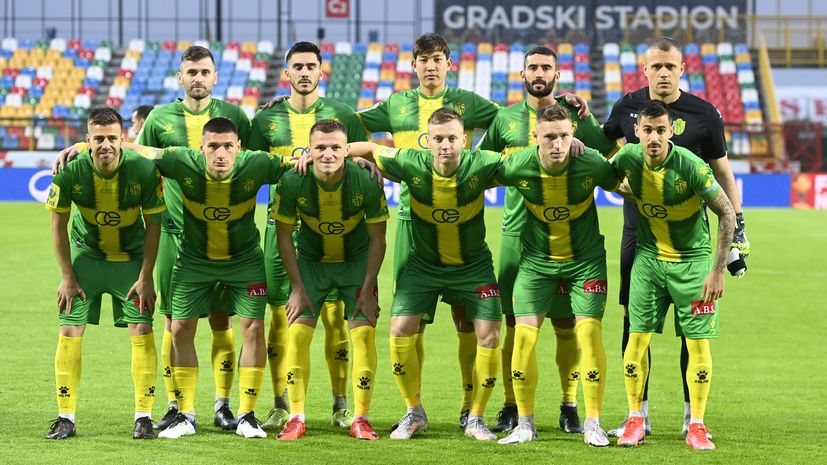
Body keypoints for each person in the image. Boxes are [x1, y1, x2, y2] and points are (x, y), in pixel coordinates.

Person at [602, 36, 749, 437]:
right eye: (657, 66)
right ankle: (639, 415)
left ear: (682, 69)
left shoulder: (705, 114)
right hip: (639, 233)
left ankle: (691, 417)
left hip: (689, 239)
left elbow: (722, 172)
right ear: (645, 70)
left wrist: (738, 226)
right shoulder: (625, 107)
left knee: (692, 330)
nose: (663, 73)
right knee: (634, 323)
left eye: (670, 66)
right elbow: (604, 153)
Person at [356, 33, 501, 427]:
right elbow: (351, 125)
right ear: (414, 65)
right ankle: (414, 409)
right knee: (410, 321)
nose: (431, 66)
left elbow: (510, 121)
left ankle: (469, 408)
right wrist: (359, 157)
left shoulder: (468, 102)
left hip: (458, 212)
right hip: (411, 221)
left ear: (449, 64)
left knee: (465, 319)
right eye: (424, 59)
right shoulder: (396, 104)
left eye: (438, 59)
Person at [477, 45, 619, 435]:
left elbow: (609, 157)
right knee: (514, 322)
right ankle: (511, 406)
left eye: (546, 68)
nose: (539, 73)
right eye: (532, 67)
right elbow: (482, 167)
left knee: (566, 323)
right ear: (522, 74)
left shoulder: (577, 115)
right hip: (516, 234)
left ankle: (569, 405)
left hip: (570, 238)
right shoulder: (503, 119)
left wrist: (583, 133)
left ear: (557, 75)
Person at [128, 117, 285, 439]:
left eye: (228, 146)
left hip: (244, 262)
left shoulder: (257, 163)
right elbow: (138, 150)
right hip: (194, 261)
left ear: (239, 147)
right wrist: (83, 146)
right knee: (180, 328)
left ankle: (247, 415)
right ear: (201, 148)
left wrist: (351, 160)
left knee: (253, 328)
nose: (220, 154)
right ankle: (185, 415)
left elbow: (303, 163)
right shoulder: (180, 160)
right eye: (213, 146)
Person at [247, 41, 367, 431]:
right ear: (287, 73)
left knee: (334, 318)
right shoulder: (265, 120)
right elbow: (252, 168)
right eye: (296, 66)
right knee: (281, 317)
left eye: (310, 66)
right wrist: (291, 162)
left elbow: (360, 158)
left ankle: (340, 406)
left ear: (321, 71)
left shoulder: (343, 114)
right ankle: (281, 404)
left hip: (331, 234)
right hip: (279, 229)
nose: (303, 73)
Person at [133, 45, 253, 432]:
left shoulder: (235, 117)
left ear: (215, 77)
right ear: (180, 77)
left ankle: (223, 404)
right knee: (174, 322)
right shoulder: (159, 119)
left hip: (224, 239)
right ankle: (176, 405)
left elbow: (255, 161)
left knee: (222, 319)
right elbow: (141, 163)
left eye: (204, 72)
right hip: (175, 239)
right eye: (191, 72)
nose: (198, 78)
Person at [610, 100, 735, 450]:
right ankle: (635, 420)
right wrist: (625, 188)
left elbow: (726, 213)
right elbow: (605, 176)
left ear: (671, 132)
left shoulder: (691, 166)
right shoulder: (628, 157)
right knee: (636, 339)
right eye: (648, 130)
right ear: (637, 131)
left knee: (697, 343)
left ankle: (696, 425)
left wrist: (717, 271)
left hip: (693, 265)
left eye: (661, 130)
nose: (654, 138)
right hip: (649, 261)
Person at [45, 106, 165, 440]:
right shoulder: (70, 170)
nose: (106, 145)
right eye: (98, 139)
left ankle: (144, 417)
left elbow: (154, 225)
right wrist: (67, 277)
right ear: (88, 140)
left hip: (131, 263)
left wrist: (146, 276)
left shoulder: (143, 170)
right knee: (69, 330)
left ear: (122, 139)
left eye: (112, 138)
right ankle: (65, 417)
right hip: (87, 260)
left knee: (142, 329)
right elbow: (57, 225)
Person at [272, 119, 388, 441]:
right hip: (311, 265)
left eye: (336, 147)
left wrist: (367, 289)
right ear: (308, 150)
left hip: (356, 264)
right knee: (297, 335)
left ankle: (361, 418)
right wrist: (297, 287)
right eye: (320, 147)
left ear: (347, 149)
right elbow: (283, 237)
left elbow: (378, 239)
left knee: (364, 335)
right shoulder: (292, 181)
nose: (328, 154)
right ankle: (296, 417)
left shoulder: (365, 180)